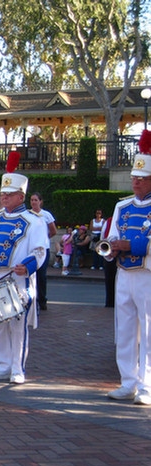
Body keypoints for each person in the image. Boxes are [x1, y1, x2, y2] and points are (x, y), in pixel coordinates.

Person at [0, 152, 47, 385]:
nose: (4, 197)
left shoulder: (34, 221)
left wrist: (26, 267)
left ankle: (18, 368)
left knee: (18, 326)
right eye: (3, 193)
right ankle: (2, 365)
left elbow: (40, 252)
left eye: (9, 194)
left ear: (21, 196)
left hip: (19, 280)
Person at [105, 130, 151, 405]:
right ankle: (127, 381)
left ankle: (146, 386)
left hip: (146, 274)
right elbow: (112, 236)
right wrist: (112, 247)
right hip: (124, 273)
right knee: (124, 330)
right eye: (134, 177)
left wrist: (131, 245)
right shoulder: (122, 206)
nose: (136, 182)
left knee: (148, 331)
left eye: (142, 179)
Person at [29, 192, 56, 311]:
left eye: (36, 200)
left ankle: (42, 299)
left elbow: (53, 230)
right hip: (30, 249)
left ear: (40, 201)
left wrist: (43, 239)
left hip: (43, 249)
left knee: (41, 275)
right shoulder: (28, 214)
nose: (34, 202)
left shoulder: (46, 215)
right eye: (32, 200)